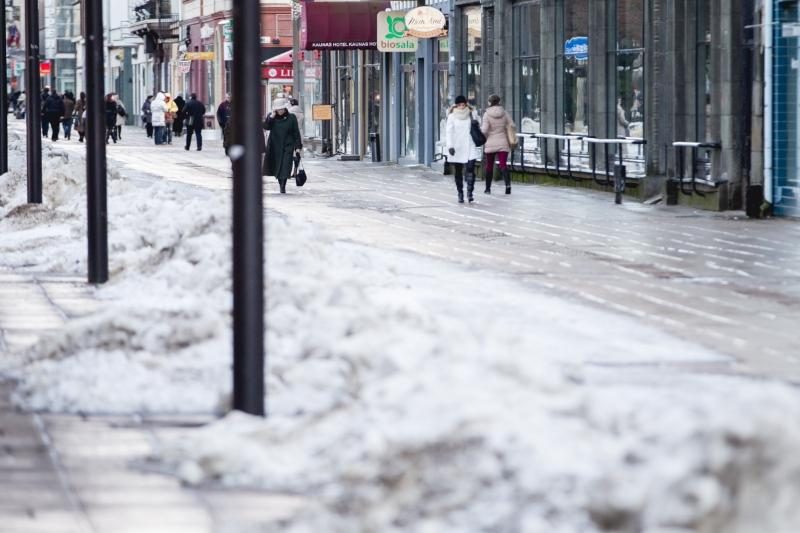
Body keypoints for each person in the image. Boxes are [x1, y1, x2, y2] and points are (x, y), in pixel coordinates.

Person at [445, 95, 481, 203]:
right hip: (457, 146)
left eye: (463, 104)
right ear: (456, 105)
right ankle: (460, 192)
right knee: (458, 170)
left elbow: (480, 124)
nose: (461, 106)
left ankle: (470, 193)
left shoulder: (471, 113)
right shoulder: (452, 116)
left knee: (470, 168)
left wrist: (475, 118)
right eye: (459, 104)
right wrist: (450, 146)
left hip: (470, 144)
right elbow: (449, 132)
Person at [263, 97, 302, 194]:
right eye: (278, 109)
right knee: (277, 167)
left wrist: (297, 147)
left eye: (281, 109)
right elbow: (266, 127)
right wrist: (271, 117)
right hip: (275, 146)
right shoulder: (272, 117)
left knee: (285, 166)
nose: (280, 111)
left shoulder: (291, 118)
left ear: (285, 108)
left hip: (287, 145)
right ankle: (280, 182)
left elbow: (296, 133)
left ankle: (283, 185)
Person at [481, 94, 516, 195]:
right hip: (503, 141)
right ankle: (508, 186)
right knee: (503, 164)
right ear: (499, 102)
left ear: (489, 102)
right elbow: (512, 125)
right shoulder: (504, 113)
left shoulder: (486, 114)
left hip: (490, 142)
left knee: (489, 166)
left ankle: (488, 188)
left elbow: (484, 130)